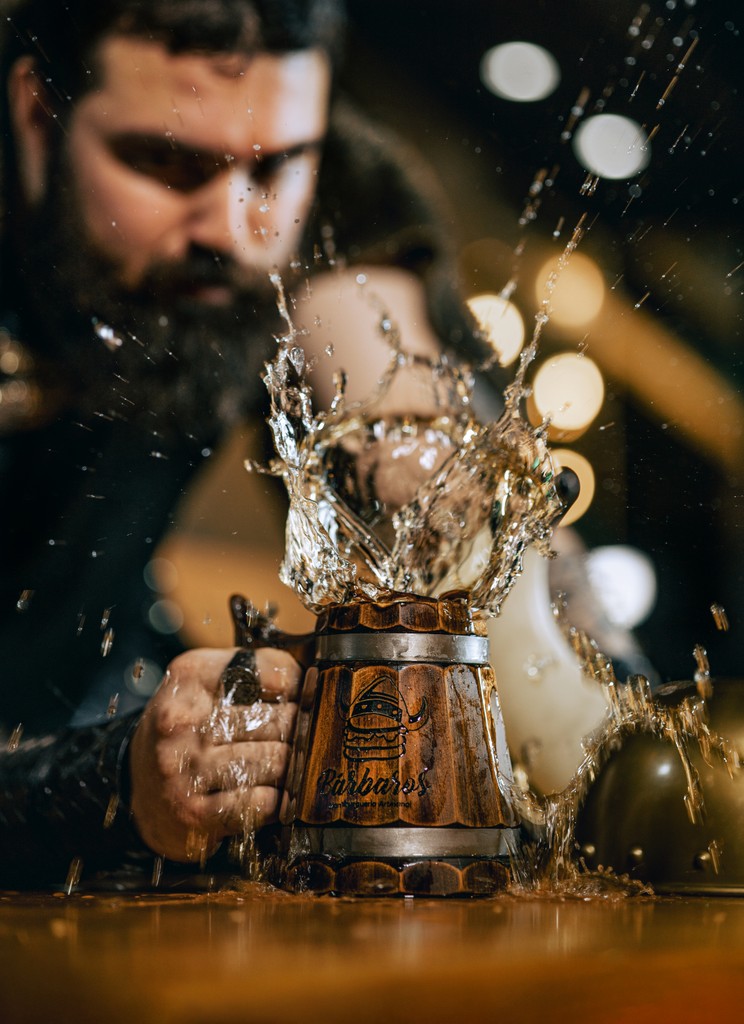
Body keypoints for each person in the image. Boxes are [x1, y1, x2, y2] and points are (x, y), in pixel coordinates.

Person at [0, 0, 482, 886]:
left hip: (106, 702)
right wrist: (111, 785)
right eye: (165, 162)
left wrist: (418, 461)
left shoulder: (324, 186)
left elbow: (470, 499)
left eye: (277, 165)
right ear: (37, 113)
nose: (231, 225)